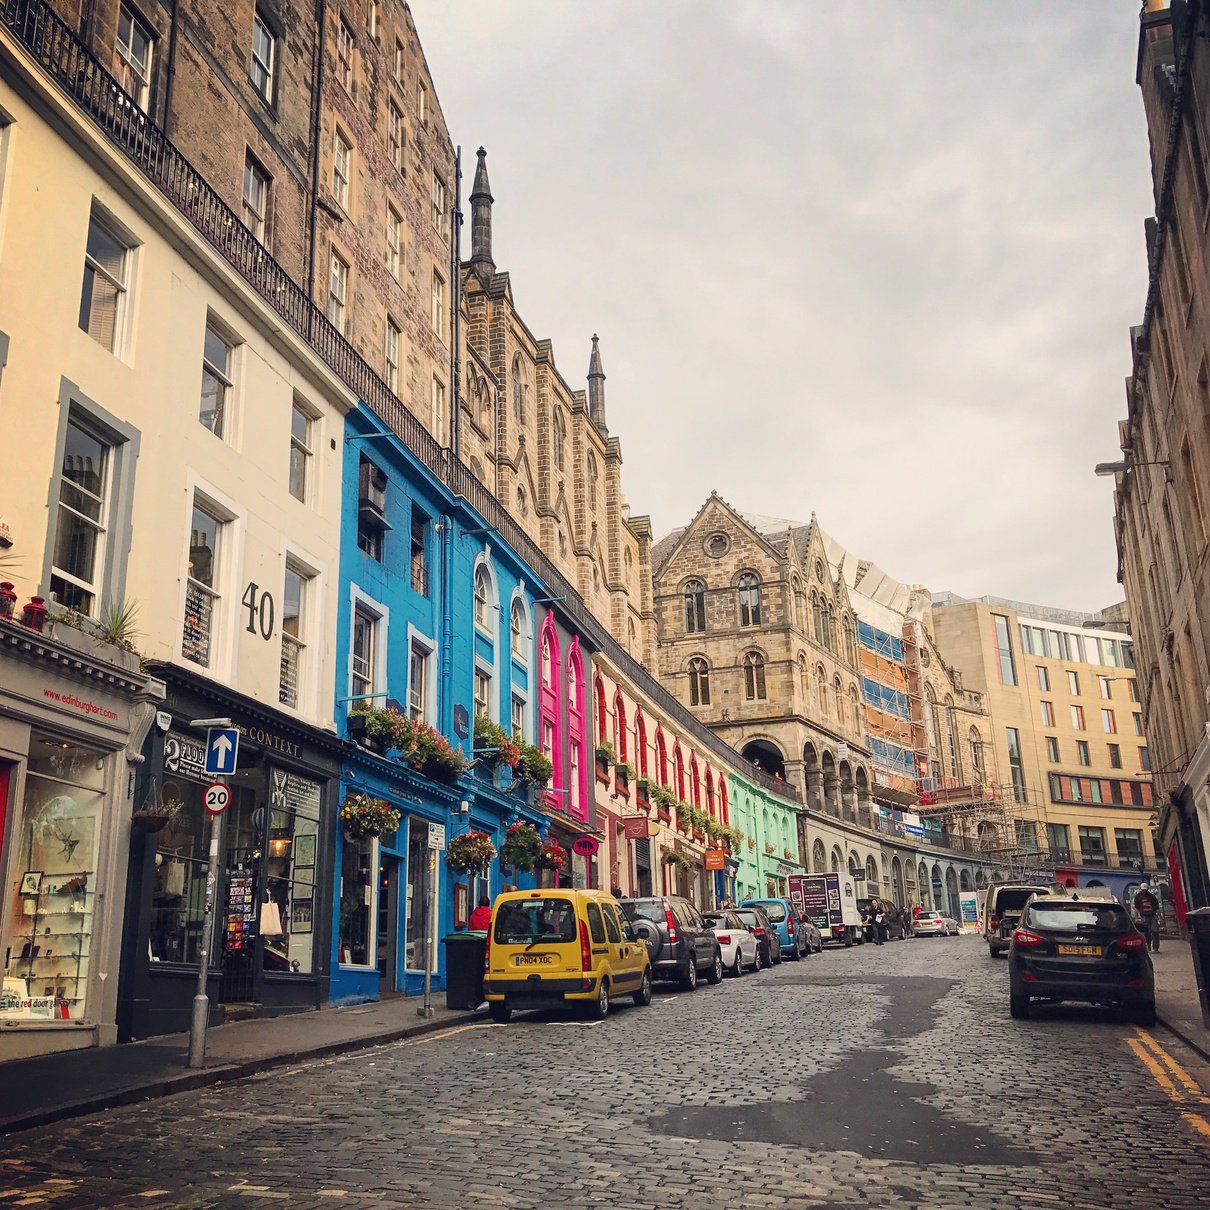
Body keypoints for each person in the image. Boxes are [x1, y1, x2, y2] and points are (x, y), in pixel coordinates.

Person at [1133, 883, 1161, 952]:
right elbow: (1136, 908)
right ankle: (1148, 945)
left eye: (1145, 890)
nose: (1144, 891)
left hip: (1152, 915)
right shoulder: (1138, 897)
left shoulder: (1152, 896)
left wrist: (1158, 916)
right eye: (1143, 890)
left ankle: (1156, 947)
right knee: (1146, 932)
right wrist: (1136, 917)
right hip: (1144, 916)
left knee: (1155, 931)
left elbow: (1156, 906)